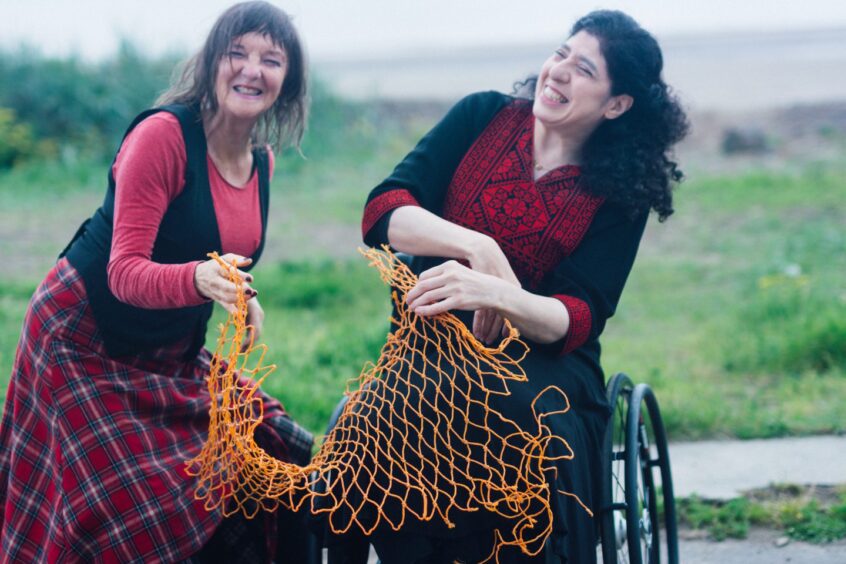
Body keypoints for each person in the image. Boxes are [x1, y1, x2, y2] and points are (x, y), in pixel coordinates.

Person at [348, 10, 688, 563]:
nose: (558, 72)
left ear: (616, 104)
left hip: (544, 364)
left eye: (583, 69)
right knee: (375, 423)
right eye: (561, 54)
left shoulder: (620, 192)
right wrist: (480, 250)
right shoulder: (481, 116)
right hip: (429, 347)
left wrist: (500, 296)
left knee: (520, 416)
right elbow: (384, 211)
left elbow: (579, 316)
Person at [0, 2, 317, 562]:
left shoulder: (261, 162)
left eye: (271, 59)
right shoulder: (163, 136)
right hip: (83, 341)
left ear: (286, 80)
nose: (251, 69)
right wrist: (202, 279)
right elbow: (125, 271)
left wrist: (243, 293)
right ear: (212, 63)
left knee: (270, 442)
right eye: (237, 53)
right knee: (133, 512)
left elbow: (217, 257)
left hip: (167, 350)